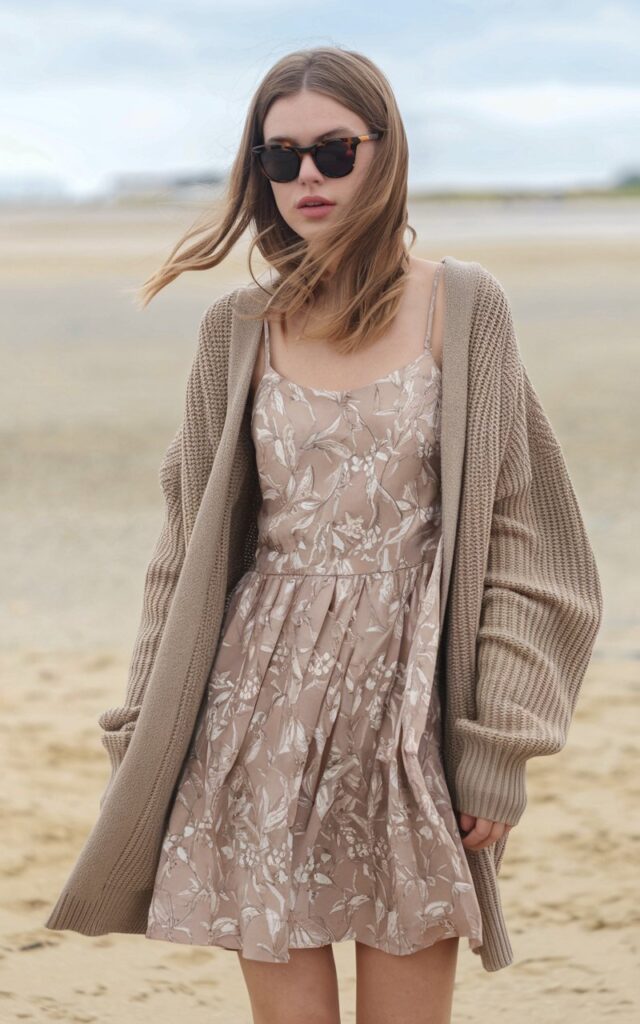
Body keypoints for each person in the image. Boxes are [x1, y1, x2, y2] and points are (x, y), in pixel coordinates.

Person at [44, 47, 603, 1024]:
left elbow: (527, 538)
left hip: (409, 727)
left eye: (334, 152)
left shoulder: (465, 307)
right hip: (254, 712)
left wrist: (498, 747)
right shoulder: (238, 328)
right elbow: (183, 555)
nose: (307, 177)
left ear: (383, 157)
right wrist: (140, 721)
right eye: (280, 157)